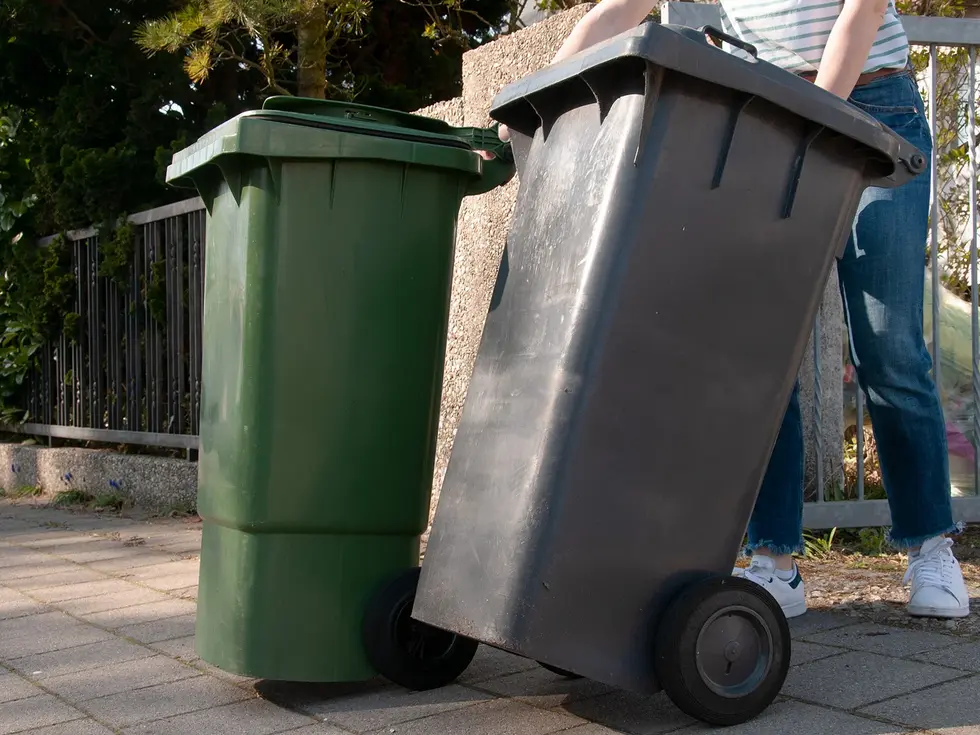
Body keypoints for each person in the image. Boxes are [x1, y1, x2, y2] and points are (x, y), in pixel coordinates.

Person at [496, 0, 971, 619]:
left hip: (875, 113)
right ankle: (774, 558)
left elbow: (861, 15)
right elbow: (614, 14)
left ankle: (929, 546)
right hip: (773, 122)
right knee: (763, 351)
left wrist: (817, 127)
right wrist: (525, 108)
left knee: (889, 347)